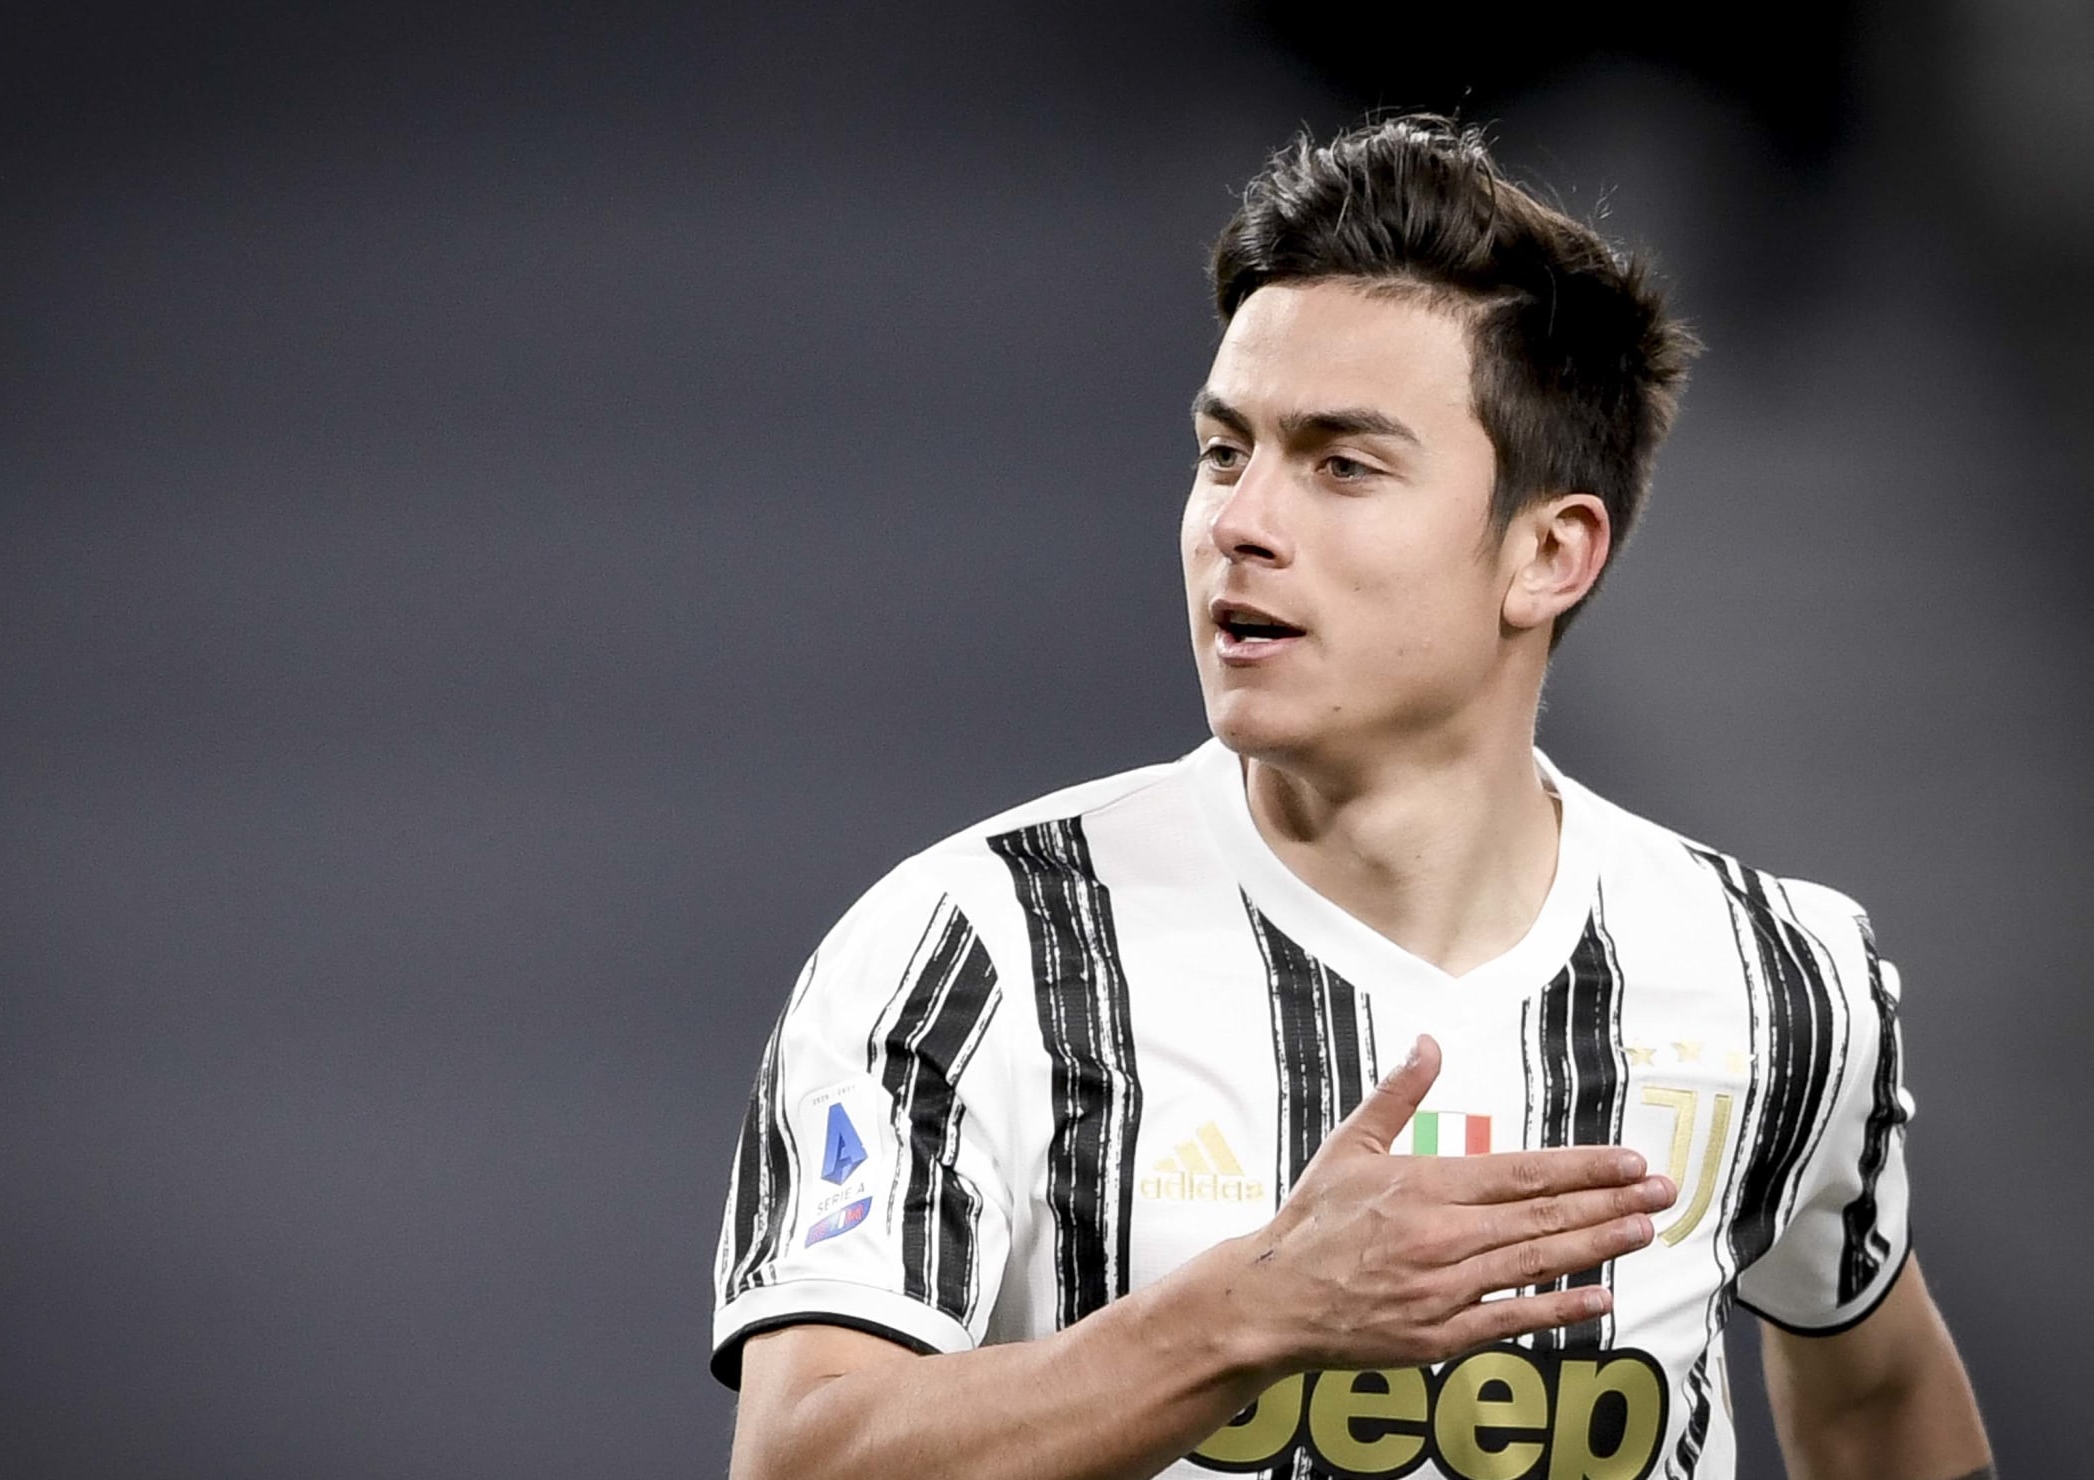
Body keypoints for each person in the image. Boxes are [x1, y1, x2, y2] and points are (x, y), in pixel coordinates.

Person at [708, 115, 1993, 1480]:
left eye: (1341, 465)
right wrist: (1248, 1315)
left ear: (1549, 555)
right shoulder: (975, 950)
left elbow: (1876, 1397)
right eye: (1224, 451)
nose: (1239, 521)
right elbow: (801, 1458)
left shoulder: (1780, 977)